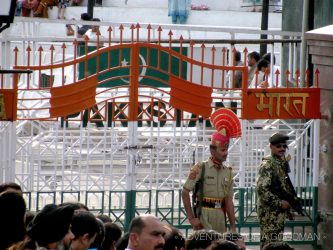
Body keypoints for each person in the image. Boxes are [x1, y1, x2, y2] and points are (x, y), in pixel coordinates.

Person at [181, 108, 242, 234]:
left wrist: (233, 227)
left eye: (226, 150)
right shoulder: (200, 168)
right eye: (222, 150)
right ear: (212, 150)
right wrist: (192, 218)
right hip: (203, 215)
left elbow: (229, 201)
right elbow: (185, 192)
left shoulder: (228, 172)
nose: (226, 153)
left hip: (220, 216)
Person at [256, 133, 298, 249]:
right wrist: (280, 203)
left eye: (284, 146)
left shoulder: (280, 163)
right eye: (278, 146)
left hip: (278, 212)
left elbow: (283, 189)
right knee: (269, 245)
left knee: (277, 244)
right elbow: (261, 190)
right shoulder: (268, 164)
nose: (282, 149)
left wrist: (288, 208)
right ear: (271, 147)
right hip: (269, 213)